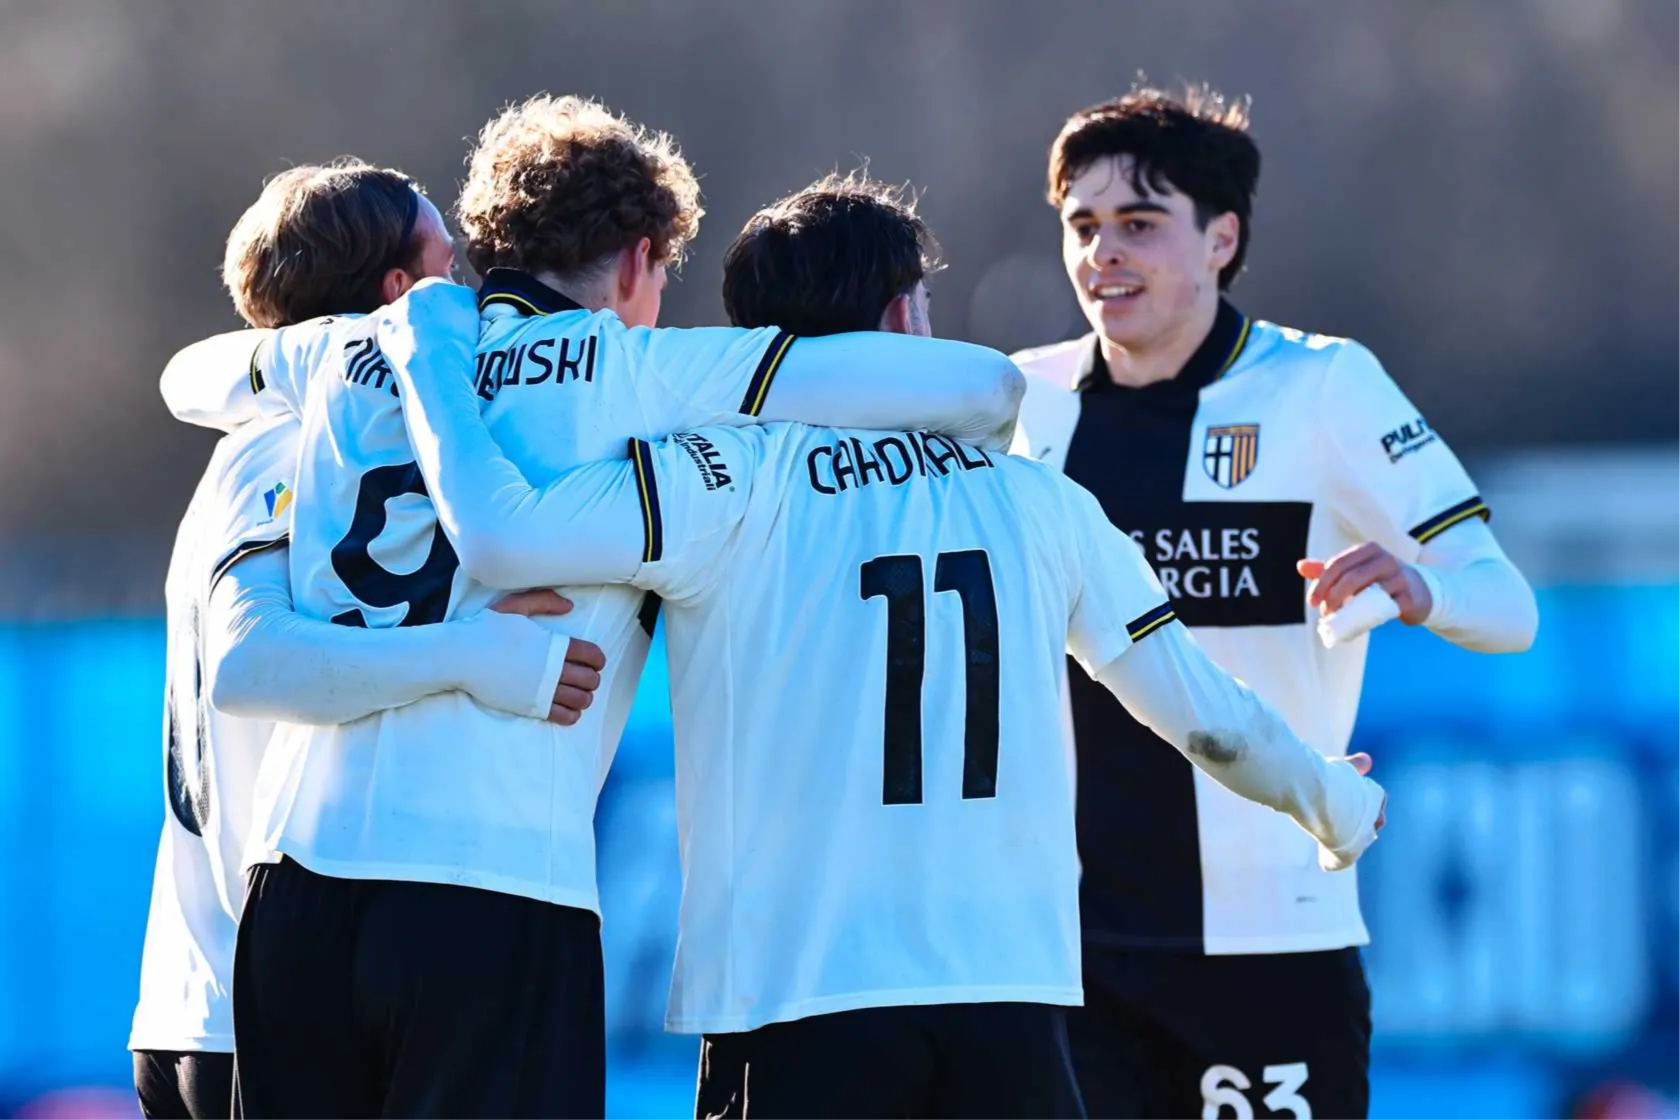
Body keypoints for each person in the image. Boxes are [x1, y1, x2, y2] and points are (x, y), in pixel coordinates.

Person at [366, 173, 1387, 1120]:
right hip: (1010, 1002)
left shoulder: (716, 478)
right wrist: (1332, 804)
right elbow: (1206, 718)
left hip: (794, 997)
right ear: (903, 319)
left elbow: (514, 533)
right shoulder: (1041, 499)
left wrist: (440, 370)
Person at [167, 97, 1027, 1120]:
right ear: (638, 259)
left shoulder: (362, 353)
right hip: (488, 883)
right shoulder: (640, 367)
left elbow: (190, 378)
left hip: (295, 883)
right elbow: (981, 387)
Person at [1008, 83, 1539, 1118]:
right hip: (1062, 952)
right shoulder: (1019, 402)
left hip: (1270, 945)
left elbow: (1508, 608)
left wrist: (1421, 586)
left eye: (1140, 224)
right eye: (1083, 225)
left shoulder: (1325, 387)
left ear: (1222, 239)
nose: (1102, 253)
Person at [130, 161, 602, 1120]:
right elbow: (253, 662)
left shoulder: (283, 427)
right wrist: (472, 652)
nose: (468, 292)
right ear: (399, 294)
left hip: (221, 990)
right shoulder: (286, 442)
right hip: (240, 1003)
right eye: (447, 265)